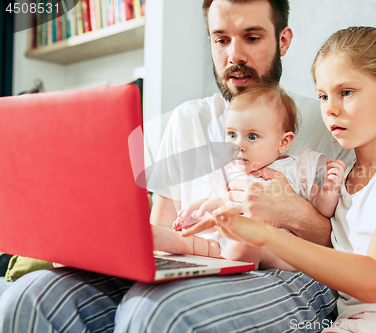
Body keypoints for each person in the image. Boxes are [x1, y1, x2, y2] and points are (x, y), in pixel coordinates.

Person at [0, 1, 353, 332]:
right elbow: (161, 226)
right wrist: (99, 251)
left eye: (252, 37)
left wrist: (290, 211)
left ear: (283, 40)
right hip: (197, 263)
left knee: (156, 310)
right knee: (29, 297)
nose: (234, 55)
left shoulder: (330, 123)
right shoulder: (189, 118)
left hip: (288, 271)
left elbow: (355, 253)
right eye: (221, 39)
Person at [183, 26, 376, 333]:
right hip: (359, 322)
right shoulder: (335, 185)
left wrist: (266, 236)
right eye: (322, 95)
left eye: (346, 92)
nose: (330, 108)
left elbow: (373, 281)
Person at [171, 83, 345, 271]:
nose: (238, 145)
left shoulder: (296, 168)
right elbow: (221, 209)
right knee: (190, 243)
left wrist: (328, 189)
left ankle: (215, 276)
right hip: (230, 247)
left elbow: (322, 210)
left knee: (244, 245)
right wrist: (197, 212)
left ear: (283, 142)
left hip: (282, 254)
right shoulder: (230, 172)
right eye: (232, 134)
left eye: (252, 137)